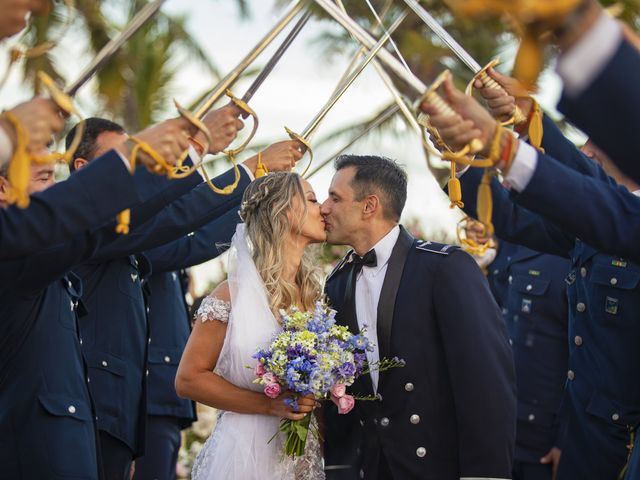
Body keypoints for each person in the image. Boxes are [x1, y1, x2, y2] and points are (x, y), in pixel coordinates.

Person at [421, 81, 640, 480]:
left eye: (598, 143)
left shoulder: (621, 216)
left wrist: (516, 131)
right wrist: (467, 156)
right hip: (586, 437)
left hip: (625, 438)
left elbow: (593, 190)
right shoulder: (590, 228)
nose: (587, 151)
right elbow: (512, 218)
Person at [320, 154, 516, 480]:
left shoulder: (444, 268)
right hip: (372, 468)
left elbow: (486, 382)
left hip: (437, 466)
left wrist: (486, 475)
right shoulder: (337, 282)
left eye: (335, 198)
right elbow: (344, 392)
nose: (324, 207)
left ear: (370, 206)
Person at [175, 172, 327, 480]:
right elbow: (188, 380)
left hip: (302, 456)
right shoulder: (231, 296)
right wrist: (269, 405)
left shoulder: (315, 297)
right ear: (282, 212)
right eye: (311, 199)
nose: (323, 208)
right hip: (245, 454)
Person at [464, 221, 571, 480]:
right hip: (496, 423)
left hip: (542, 435)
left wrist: (566, 439)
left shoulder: (569, 245)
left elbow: (582, 359)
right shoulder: (504, 241)